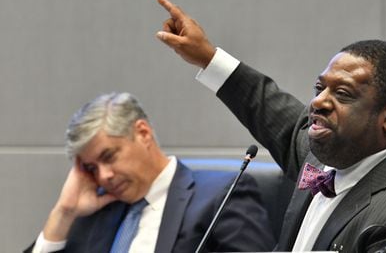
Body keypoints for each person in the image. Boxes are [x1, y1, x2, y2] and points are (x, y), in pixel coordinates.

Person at [155, 0, 386, 251]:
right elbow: (270, 109)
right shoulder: (335, 151)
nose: (318, 102)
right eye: (319, 89)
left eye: (342, 94)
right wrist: (208, 58)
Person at [25, 92, 275, 253]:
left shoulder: (222, 196)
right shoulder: (94, 213)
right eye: (91, 168)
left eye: (108, 157)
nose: (103, 177)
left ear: (143, 133)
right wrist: (63, 213)